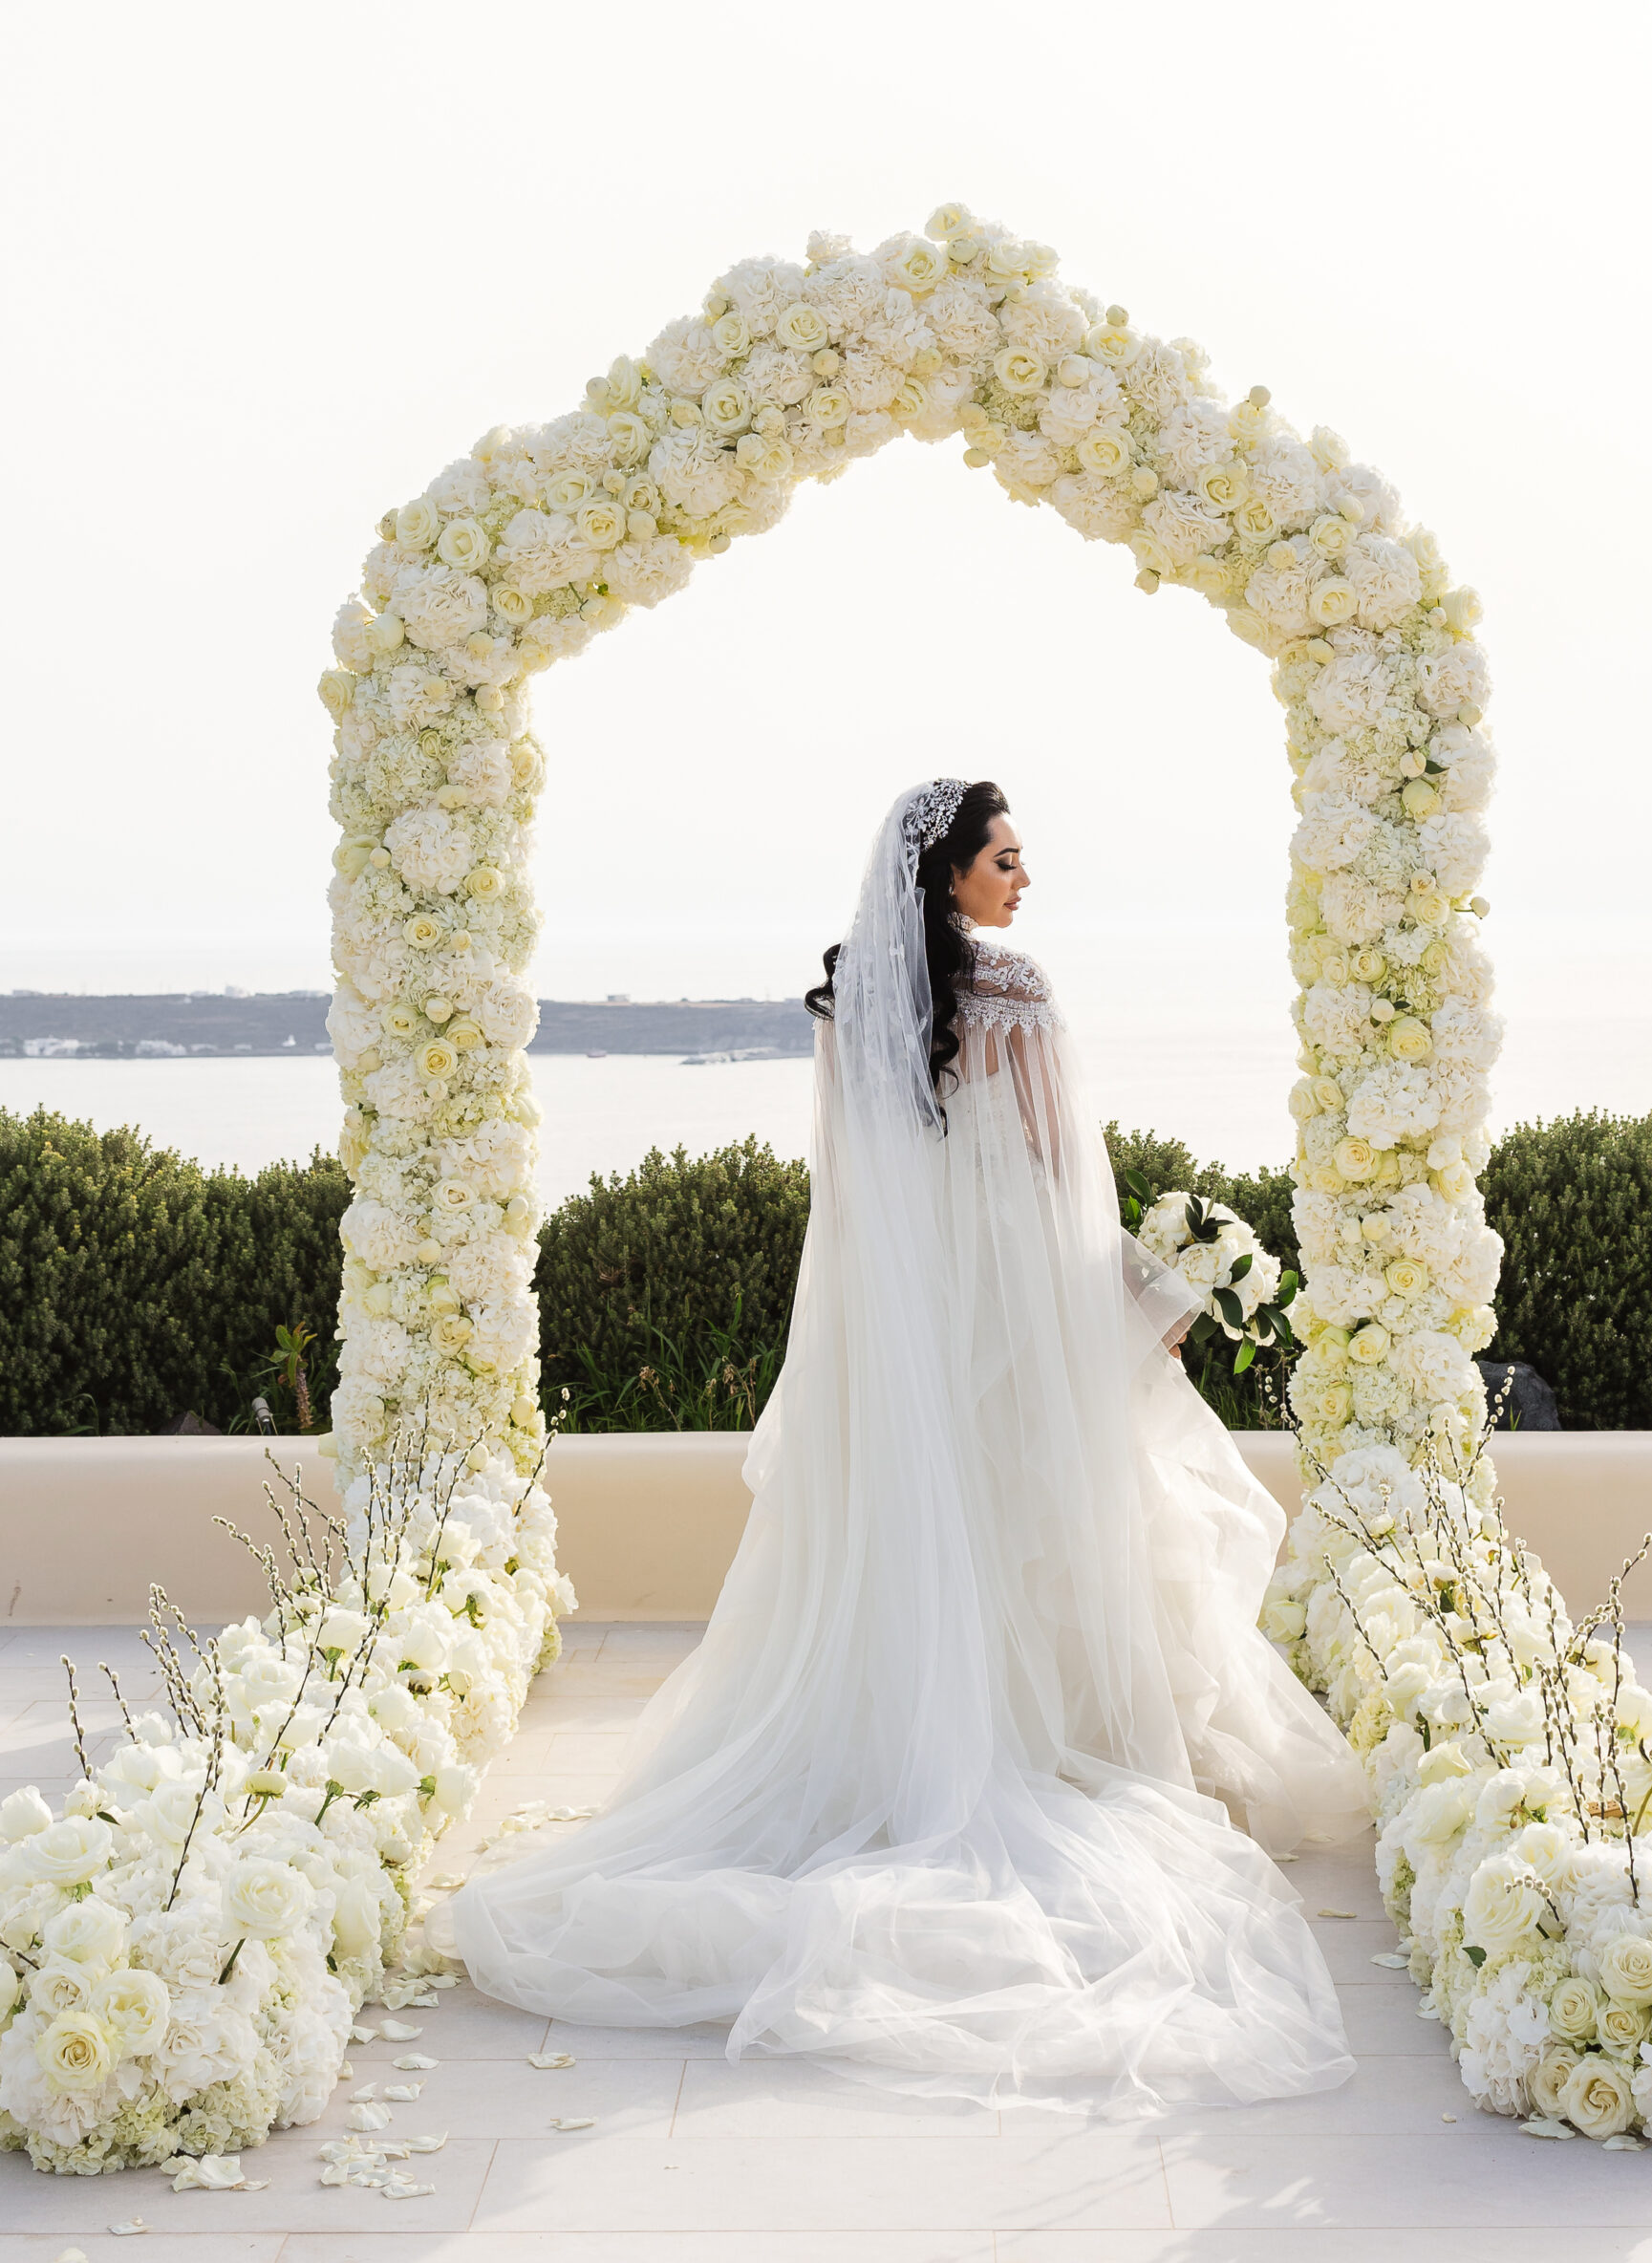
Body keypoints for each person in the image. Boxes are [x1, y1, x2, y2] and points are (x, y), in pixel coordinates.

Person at [446, 779, 1365, 2110]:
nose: (1024, 879)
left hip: (907, 1315)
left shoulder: (848, 1001)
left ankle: (918, 1740)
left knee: (931, 1532)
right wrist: (1147, 1290)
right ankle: (1045, 1747)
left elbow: (852, 1187)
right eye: (1007, 859)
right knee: (1051, 1514)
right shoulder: (1018, 992)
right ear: (949, 875)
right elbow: (1057, 1174)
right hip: (1010, 1300)